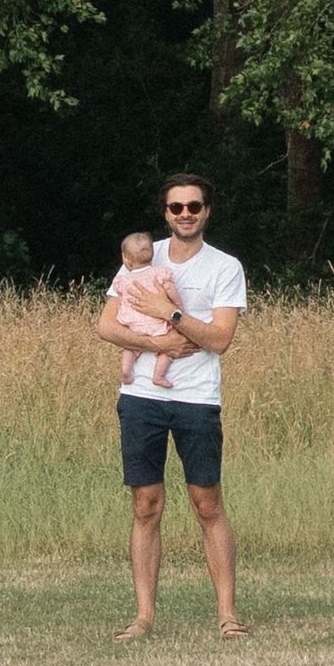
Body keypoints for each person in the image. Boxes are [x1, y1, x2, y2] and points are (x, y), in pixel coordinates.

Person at [95, 173, 245, 640]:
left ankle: (227, 616)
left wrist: (171, 314)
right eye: (177, 208)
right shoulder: (140, 256)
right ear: (166, 213)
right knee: (145, 505)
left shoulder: (224, 267)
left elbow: (220, 339)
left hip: (197, 398)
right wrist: (154, 340)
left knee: (207, 503)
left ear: (207, 212)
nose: (186, 214)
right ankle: (143, 617)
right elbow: (105, 326)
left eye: (194, 207)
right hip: (142, 397)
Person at [107, 234, 185, 390]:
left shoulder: (123, 279)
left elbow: (121, 297)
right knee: (168, 348)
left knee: (130, 346)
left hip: (134, 324)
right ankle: (158, 376)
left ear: (126, 260)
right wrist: (178, 304)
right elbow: (169, 288)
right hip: (156, 324)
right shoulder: (160, 273)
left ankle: (126, 371)